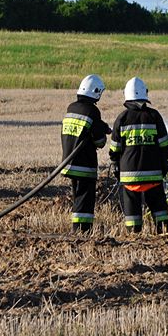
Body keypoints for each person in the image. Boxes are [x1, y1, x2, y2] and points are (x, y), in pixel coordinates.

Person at [109, 77, 168, 233]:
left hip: (130, 176)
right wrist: (163, 164)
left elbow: (115, 149)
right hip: (153, 175)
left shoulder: (122, 118)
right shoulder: (154, 116)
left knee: (132, 211)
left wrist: (116, 164)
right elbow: (165, 145)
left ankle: (133, 235)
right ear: (145, 94)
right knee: (159, 208)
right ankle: (164, 233)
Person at [61, 74, 109, 232]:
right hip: (84, 163)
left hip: (69, 162)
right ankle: (83, 230)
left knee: (78, 196)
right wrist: (102, 134)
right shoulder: (92, 111)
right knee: (85, 199)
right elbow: (99, 142)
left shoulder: (71, 108)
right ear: (95, 92)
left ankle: (77, 228)